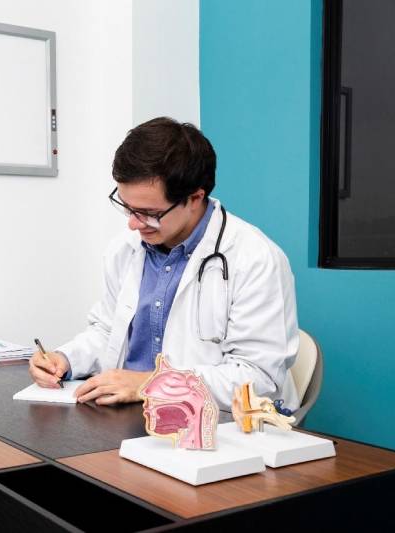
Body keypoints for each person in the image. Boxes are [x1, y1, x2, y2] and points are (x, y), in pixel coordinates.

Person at [29, 117, 299, 413]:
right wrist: (66, 359)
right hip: (128, 417)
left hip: (214, 427)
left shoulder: (255, 259)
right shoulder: (126, 249)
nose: (133, 223)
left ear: (195, 197)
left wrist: (150, 383)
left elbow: (257, 377)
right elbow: (109, 331)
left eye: (148, 212)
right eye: (127, 207)